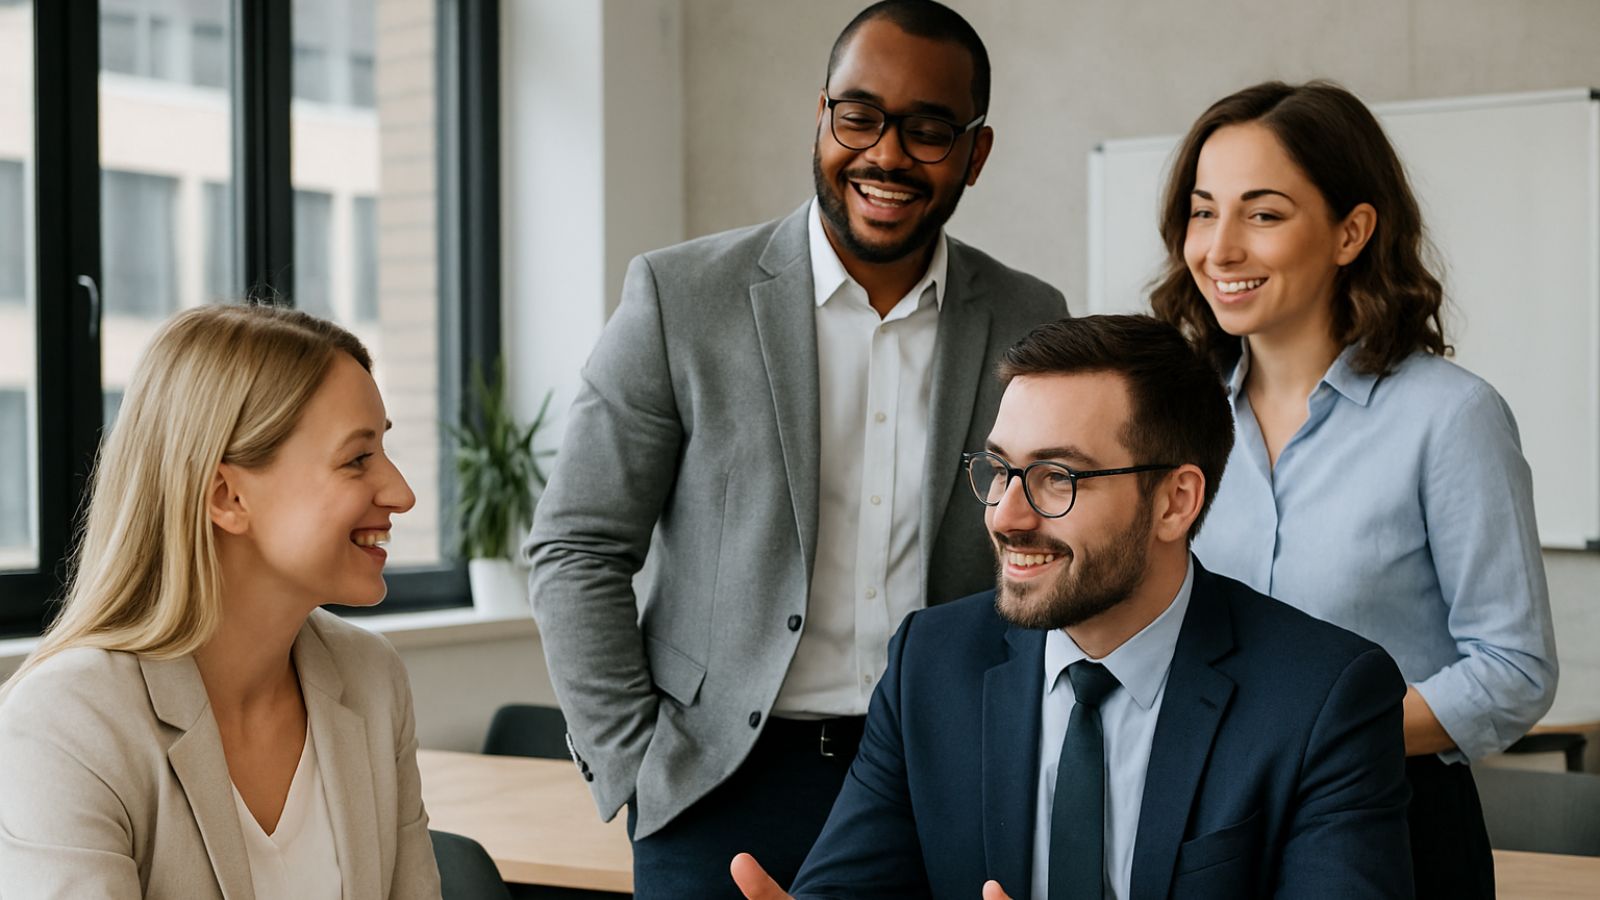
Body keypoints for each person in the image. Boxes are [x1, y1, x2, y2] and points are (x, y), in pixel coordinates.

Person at [524, 1, 1065, 894]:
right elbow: (577, 544)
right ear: (821, 116)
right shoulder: (679, 298)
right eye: (858, 116)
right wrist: (633, 764)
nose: (885, 154)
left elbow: (1048, 549)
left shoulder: (1029, 318)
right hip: (720, 781)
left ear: (977, 151)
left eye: (929, 130)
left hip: (946, 778)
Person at [730, 315, 1414, 899]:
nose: (1007, 515)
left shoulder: (1324, 696)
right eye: (999, 470)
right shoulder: (931, 664)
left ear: (1176, 501)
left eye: (1057, 477)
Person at [1152, 80, 1557, 897]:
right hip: (1202, 823)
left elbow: (1513, 668)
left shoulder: (1450, 417)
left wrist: (1316, 738)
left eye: (1262, 214)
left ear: (1351, 231)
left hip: (1395, 825)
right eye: (1203, 211)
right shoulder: (1168, 415)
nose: (1220, 248)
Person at [0, 304, 442, 899]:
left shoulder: (372, 678)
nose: (402, 493)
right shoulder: (68, 723)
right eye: (357, 458)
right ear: (227, 496)